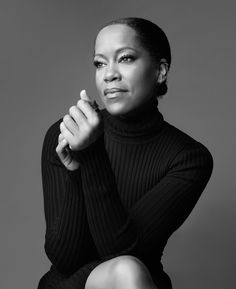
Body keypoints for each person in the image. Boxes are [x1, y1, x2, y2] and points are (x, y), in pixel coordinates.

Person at [37, 17, 213, 289]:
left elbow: (122, 253)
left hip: (135, 282)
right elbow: (66, 259)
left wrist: (92, 155)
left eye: (126, 58)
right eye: (100, 63)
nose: (109, 74)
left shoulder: (189, 158)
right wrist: (75, 172)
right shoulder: (65, 133)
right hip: (70, 285)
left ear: (160, 71)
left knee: (127, 270)